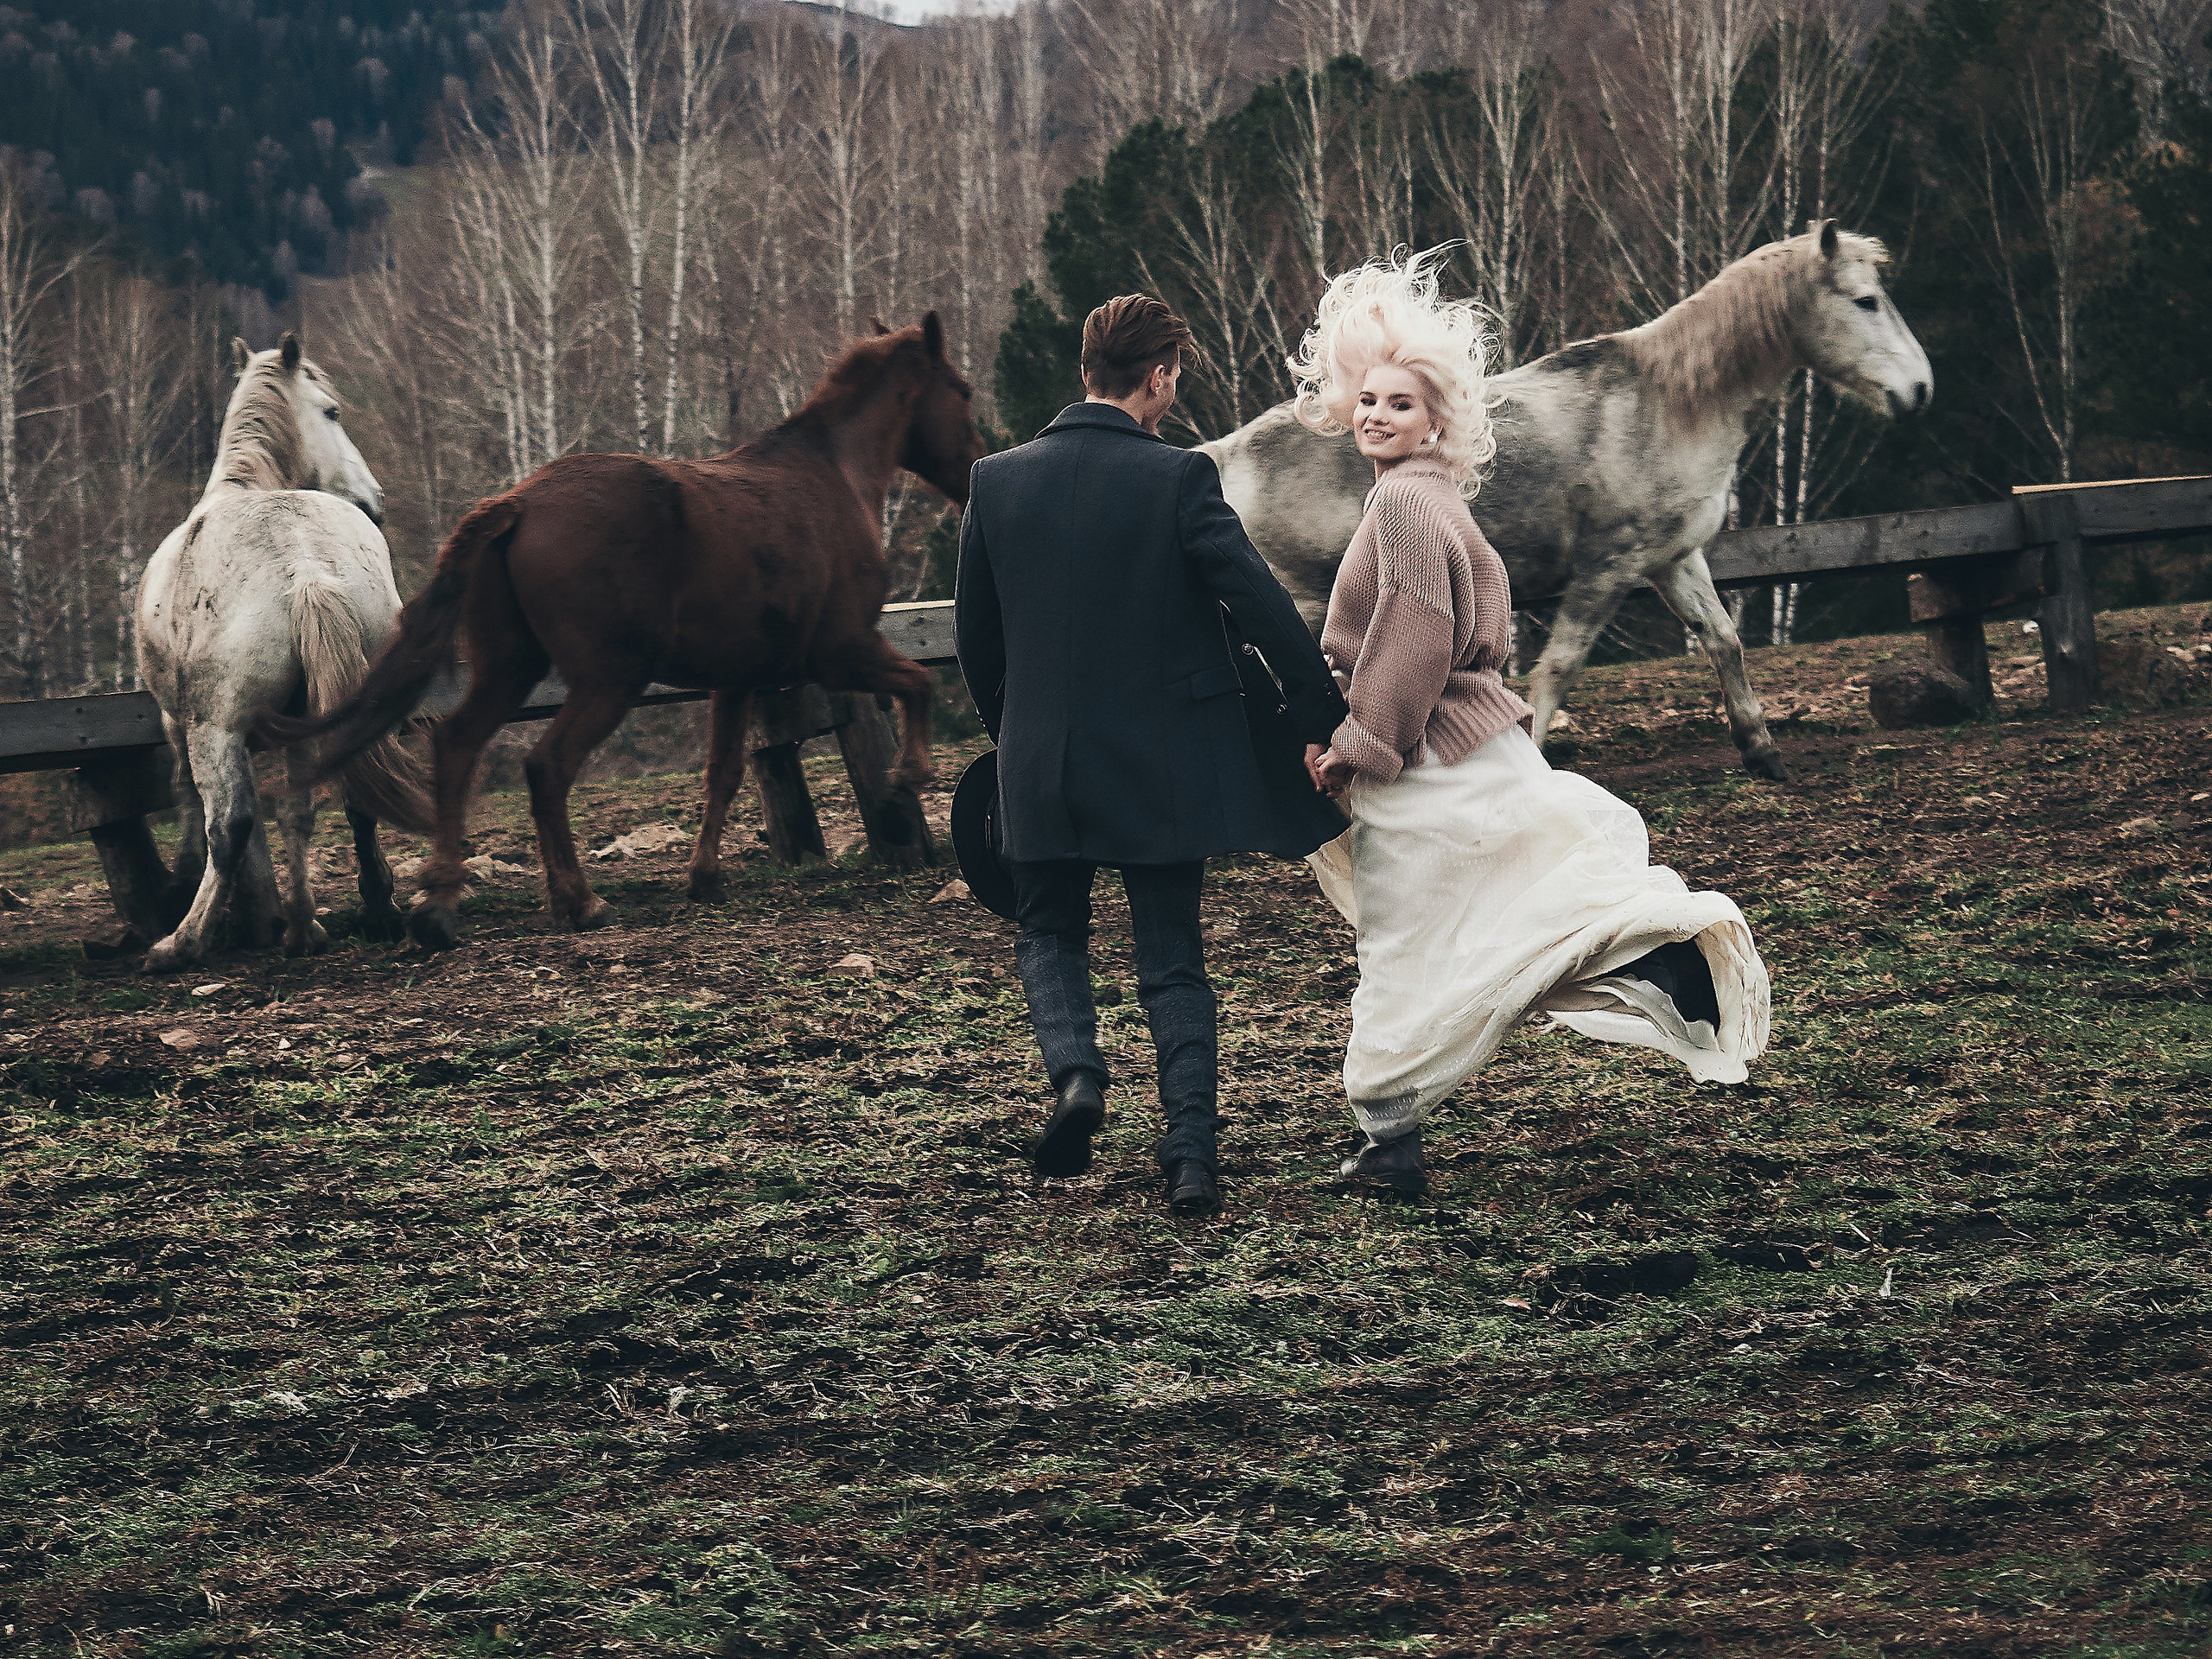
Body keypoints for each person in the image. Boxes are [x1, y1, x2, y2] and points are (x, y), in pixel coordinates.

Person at [1294, 250, 1771, 1198]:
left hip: (1428, 762)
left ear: (1436, 421)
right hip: (1474, 743)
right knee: (1498, 913)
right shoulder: (1436, 500)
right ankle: (1654, 960)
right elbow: (1484, 628)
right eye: (1369, 400)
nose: (1376, 415)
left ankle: (1390, 1136)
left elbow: (1420, 635)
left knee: (1409, 936)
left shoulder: (1401, 502)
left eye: (1399, 404)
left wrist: (1357, 747)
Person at [956, 295, 1349, 1211]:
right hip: (1159, 766)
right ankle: (1189, 1160)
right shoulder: (1176, 480)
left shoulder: (997, 482)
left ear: (1085, 367)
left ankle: (1077, 1078)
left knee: (1048, 928)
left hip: (1038, 759)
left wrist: (1015, 737)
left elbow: (978, 641)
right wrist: (1319, 711)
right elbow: (1258, 605)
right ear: (1159, 376)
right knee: (1171, 958)